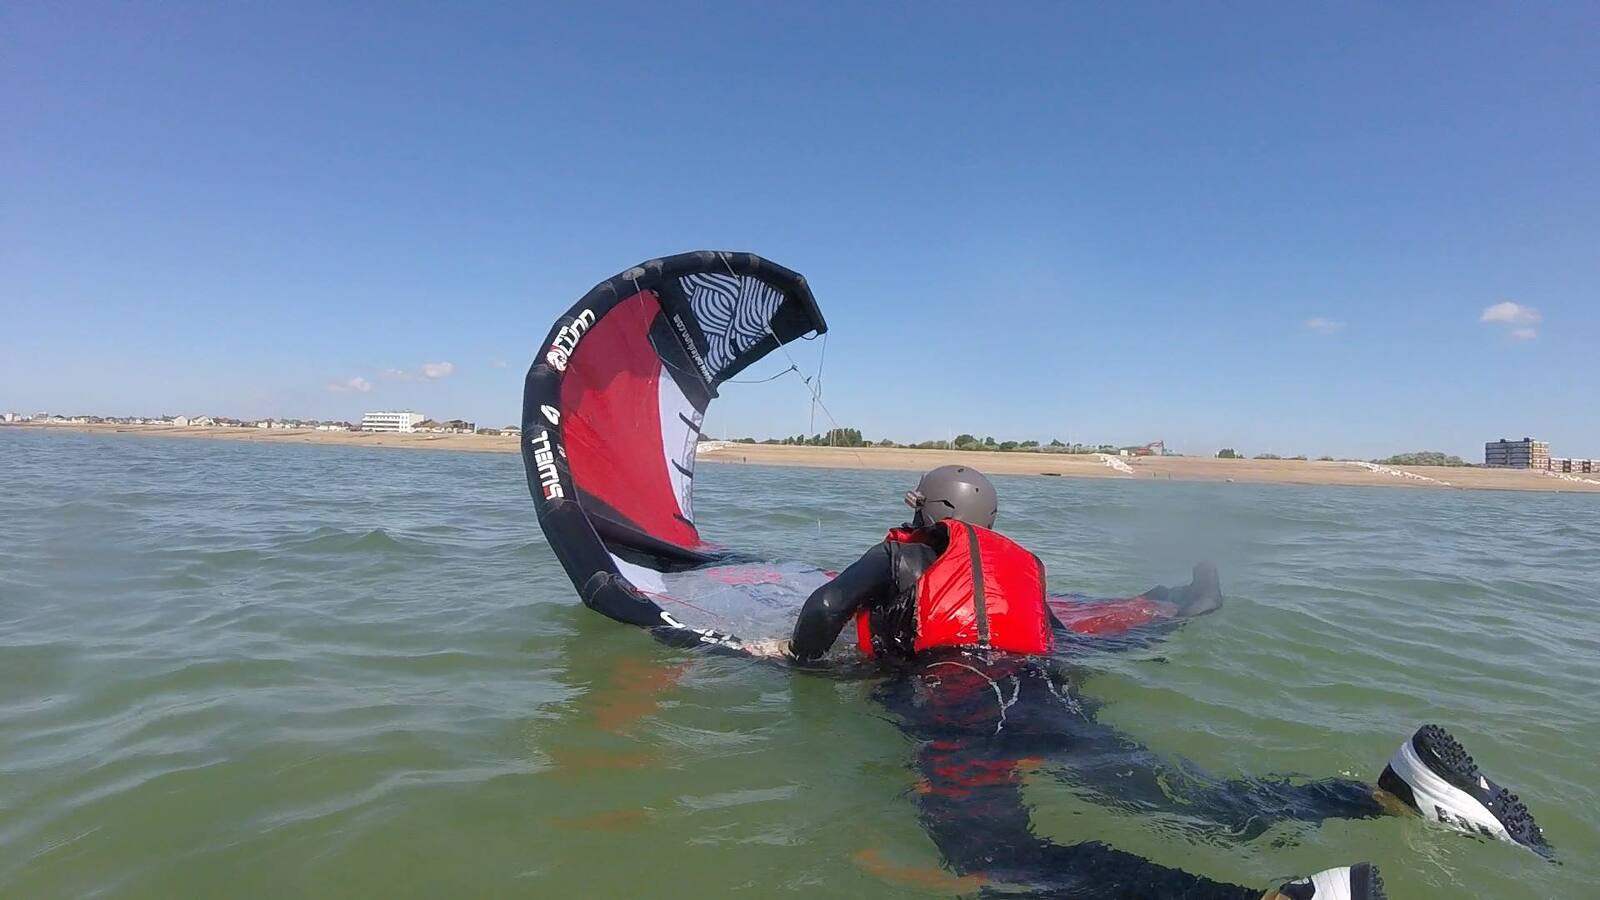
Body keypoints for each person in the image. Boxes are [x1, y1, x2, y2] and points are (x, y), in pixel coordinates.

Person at [755, 465, 1546, 899]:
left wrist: (797, 662)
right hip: (1046, 694)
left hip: (961, 703)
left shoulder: (906, 552)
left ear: (927, 511)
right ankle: (1390, 792)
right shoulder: (1018, 576)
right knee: (1194, 799)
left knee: (991, 854)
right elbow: (1063, 641)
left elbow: (824, 608)